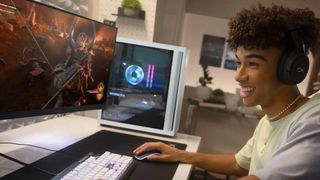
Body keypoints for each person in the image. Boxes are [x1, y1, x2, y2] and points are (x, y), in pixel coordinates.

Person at [133, 4, 320, 180]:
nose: (239, 76)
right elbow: (237, 164)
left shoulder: (313, 118)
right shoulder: (268, 120)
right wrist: (180, 155)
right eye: (239, 63)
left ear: (291, 68)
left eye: (253, 63)